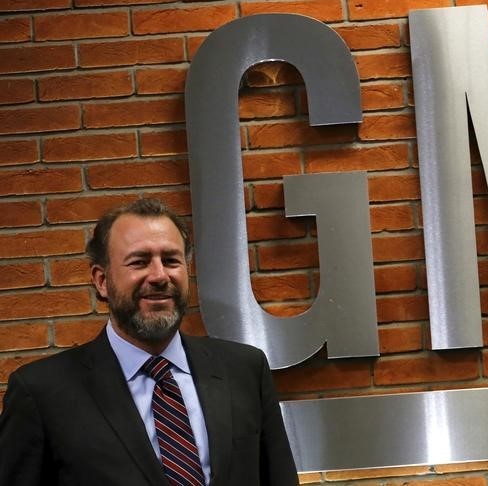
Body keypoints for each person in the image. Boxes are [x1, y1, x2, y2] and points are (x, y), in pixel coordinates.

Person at [0, 198, 298, 485]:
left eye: (170, 260)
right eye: (139, 262)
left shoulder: (244, 370)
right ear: (102, 281)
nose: (159, 276)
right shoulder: (41, 394)